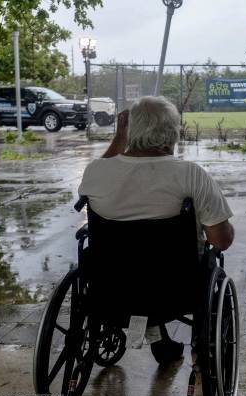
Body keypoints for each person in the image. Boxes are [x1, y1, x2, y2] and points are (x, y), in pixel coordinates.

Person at [78, 96, 234, 364]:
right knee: (172, 263)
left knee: (132, 261)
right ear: (173, 134)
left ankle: (157, 336)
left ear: (128, 131)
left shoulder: (95, 172)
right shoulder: (191, 175)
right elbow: (221, 241)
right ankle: (161, 336)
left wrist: (119, 138)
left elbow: (105, 168)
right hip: (174, 291)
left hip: (110, 287)